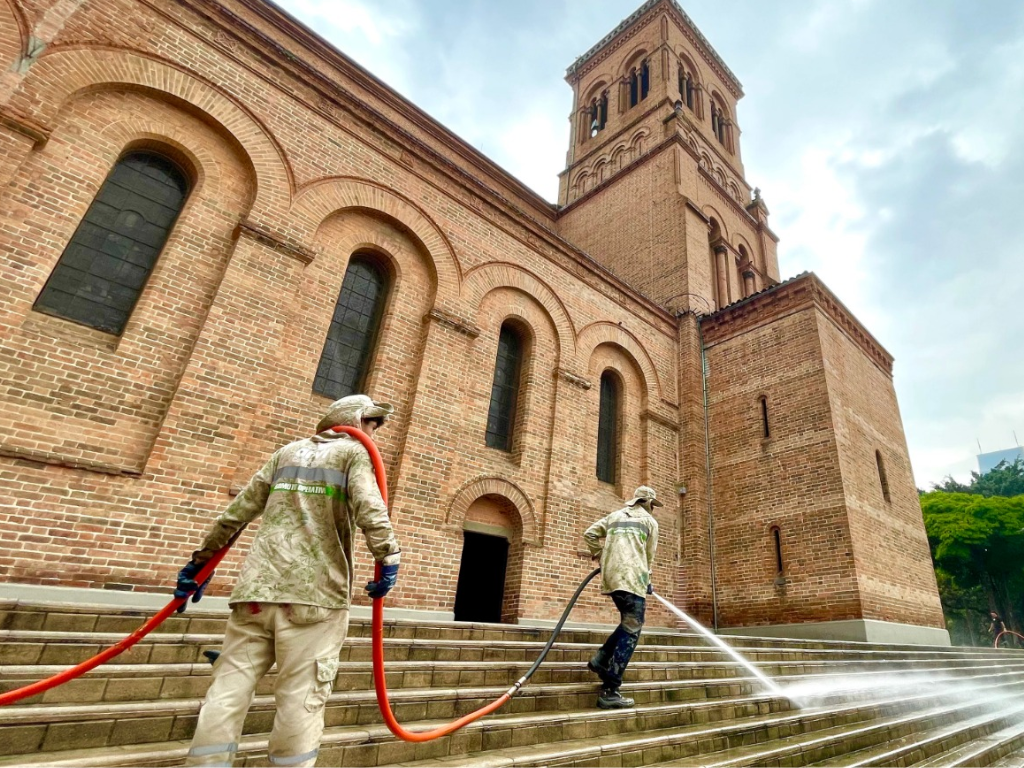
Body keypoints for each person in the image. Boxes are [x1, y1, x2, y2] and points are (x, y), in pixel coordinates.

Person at [175, 394, 401, 767]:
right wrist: (388, 558)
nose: (374, 435)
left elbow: (236, 512)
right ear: (356, 421)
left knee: (226, 693)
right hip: (316, 596)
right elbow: (370, 508)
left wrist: (199, 565)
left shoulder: (286, 453)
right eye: (372, 425)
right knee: (301, 698)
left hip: (255, 593)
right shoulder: (354, 453)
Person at [583, 485, 661, 709]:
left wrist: (600, 555)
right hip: (632, 578)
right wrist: (647, 580)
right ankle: (611, 689)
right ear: (648, 503)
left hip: (612, 577)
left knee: (629, 623)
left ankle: (601, 659)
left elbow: (589, 534)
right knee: (633, 629)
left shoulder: (614, 516)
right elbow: (648, 557)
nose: (653, 509)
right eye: (653, 505)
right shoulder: (650, 522)